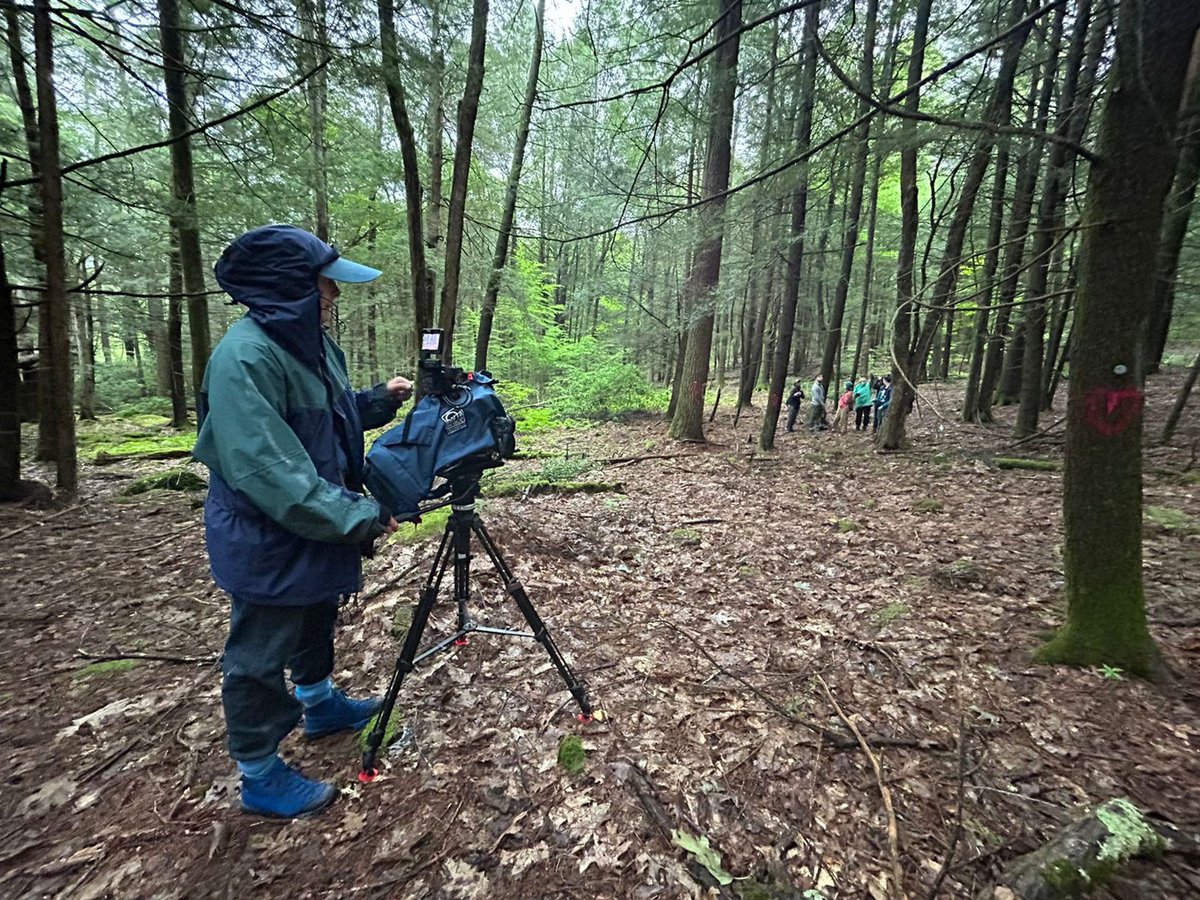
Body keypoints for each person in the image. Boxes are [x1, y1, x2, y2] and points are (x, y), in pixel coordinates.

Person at [192, 225, 414, 819]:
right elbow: (271, 470)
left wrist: (376, 400)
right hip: (269, 535)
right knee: (260, 654)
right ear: (289, 288)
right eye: (325, 286)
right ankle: (260, 773)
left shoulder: (311, 344)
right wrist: (357, 516)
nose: (334, 298)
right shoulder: (245, 356)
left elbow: (323, 424)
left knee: (317, 613)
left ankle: (319, 704)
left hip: (314, 525)